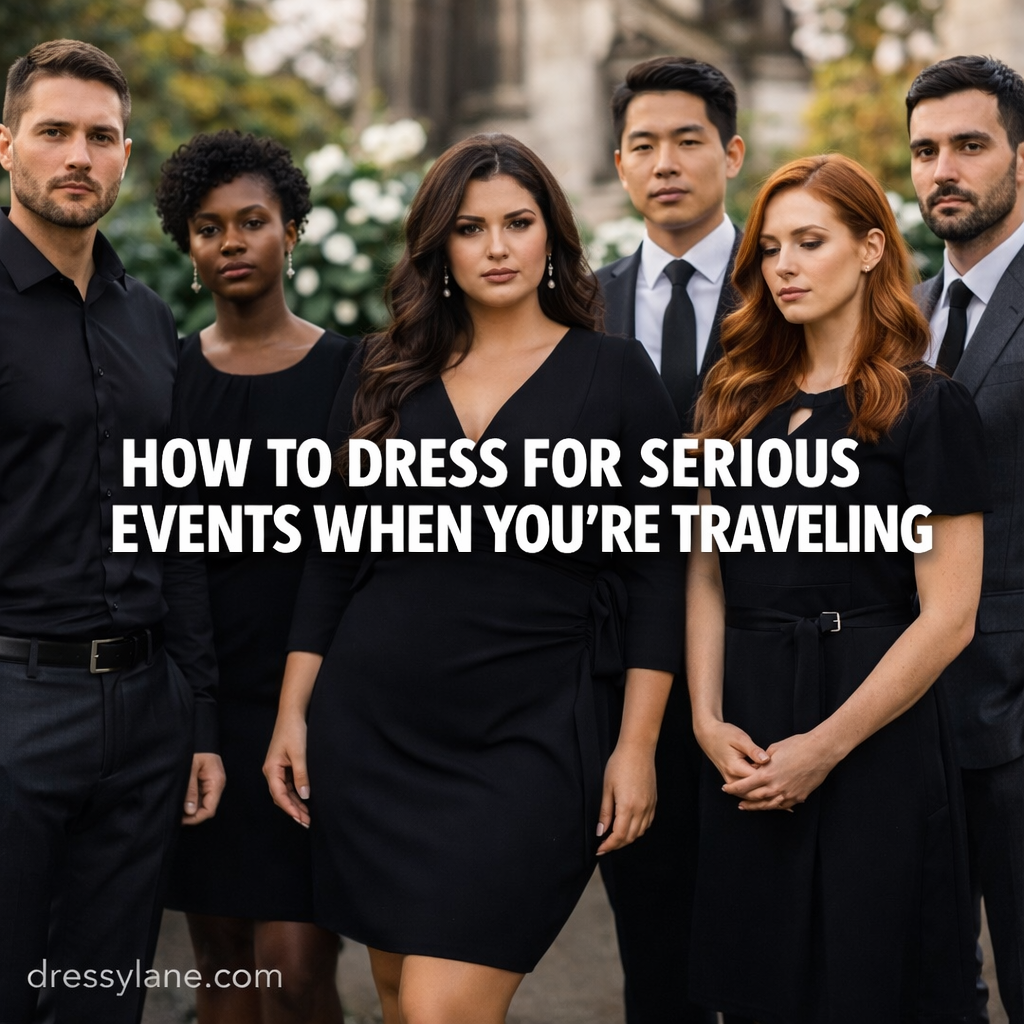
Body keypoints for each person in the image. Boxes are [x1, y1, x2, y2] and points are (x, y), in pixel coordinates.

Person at [264, 132, 684, 1024]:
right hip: (374, 728)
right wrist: (294, 711)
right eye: (470, 227)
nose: (496, 247)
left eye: (518, 223)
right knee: (394, 998)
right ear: (439, 249)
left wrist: (637, 746)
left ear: (552, 238)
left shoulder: (615, 375)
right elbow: (333, 559)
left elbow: (657, 576)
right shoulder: (383, 372)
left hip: (532, 738)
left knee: (438, 1008)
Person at [686, 153, 987, 1023]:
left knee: (874, 982)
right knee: (757, 985)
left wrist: (825, 746)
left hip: (873, 725)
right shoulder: (731, 399)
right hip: (745, 718)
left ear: (867, 250)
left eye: (808, 242)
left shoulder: (928, 407)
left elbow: (950, 616)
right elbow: (705, 571)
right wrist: (707, 720)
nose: (783, 265)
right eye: (770, 246)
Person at [0, 39, 223, 1023]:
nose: (77, 156)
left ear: (127, 156)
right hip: (10, 704)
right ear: (5, 147)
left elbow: (179, 531)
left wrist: (196, 717)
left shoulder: (147, 323)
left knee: (104, 996)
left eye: (100, 136)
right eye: (54, 133)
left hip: (142, 714)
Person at [153, 130, 355, 1024]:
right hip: (201, 707)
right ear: (188, 246)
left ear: (292, 232)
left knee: (296, 963)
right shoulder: (167, 378)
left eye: (252, 221)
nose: (230, 241)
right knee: (225, 964)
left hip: (317, 711)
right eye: (207, 227)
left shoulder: (357, 376)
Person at [595, 55, 745, 1024]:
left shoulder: (790, 284)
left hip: (773, 655)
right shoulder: (582, 304)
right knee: (653, 945)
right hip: (620, 665)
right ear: (618, 164)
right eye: (644, 145)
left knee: (771, 937)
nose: (666, 163)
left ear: (731, 151)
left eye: (688, 140)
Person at [906, 55, 1024, 1024]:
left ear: (1019, 158)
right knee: (929, 982)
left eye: (969, 146)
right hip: (905, 712)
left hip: (1018, 718)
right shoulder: (897, 310)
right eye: (925, 151)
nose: (944, 168)